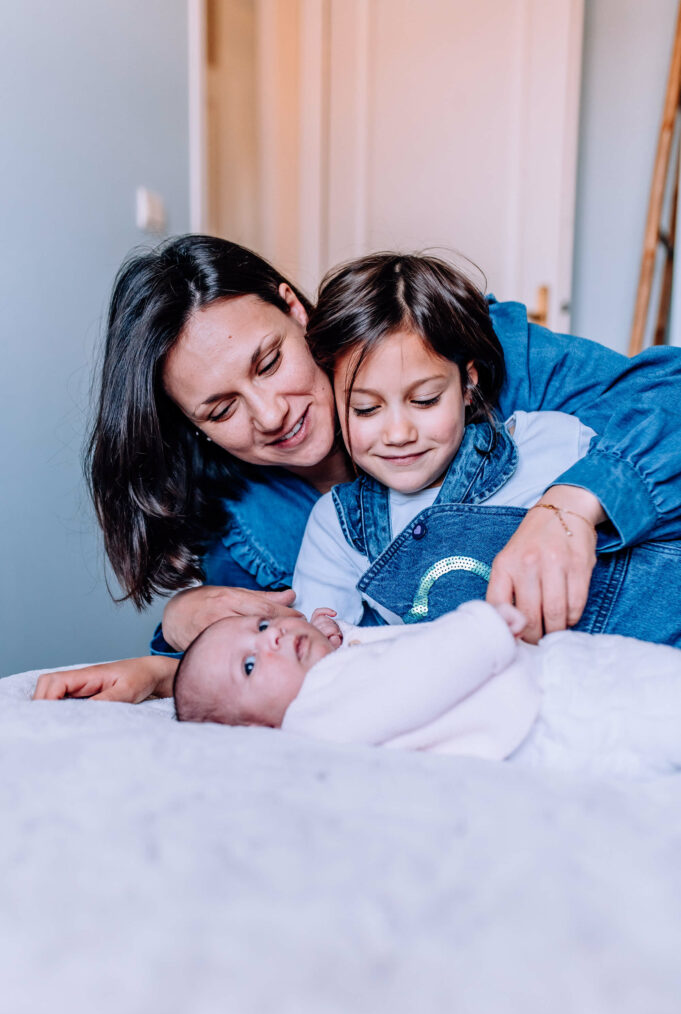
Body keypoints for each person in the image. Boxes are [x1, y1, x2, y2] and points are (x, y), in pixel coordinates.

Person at [32, 235, 681, 704]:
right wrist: (161, 665)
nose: (269, 414)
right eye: (222, 408)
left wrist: (570, 504)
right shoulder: (242, 525)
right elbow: (275, 665)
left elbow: (666, 394)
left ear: (293, 309)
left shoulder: (437, 342)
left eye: (267, 363)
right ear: (192, 426)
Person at [293, 253, 681, 646]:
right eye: (366, 408)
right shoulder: (336, 528)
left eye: (425, 400)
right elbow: (314, 665)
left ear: (467, 384)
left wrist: (575, 507)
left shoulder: (549, 441)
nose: (398, 433)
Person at [173, 602, 681, 781]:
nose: (273, 637)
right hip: (549, 712)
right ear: (255, 732)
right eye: (249, 664)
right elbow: (410, 678)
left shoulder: (327, 685)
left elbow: (373, 664)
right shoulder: (310, 718)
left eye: (262, 626)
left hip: (550, 681)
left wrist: (341, 635)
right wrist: (480, 628)